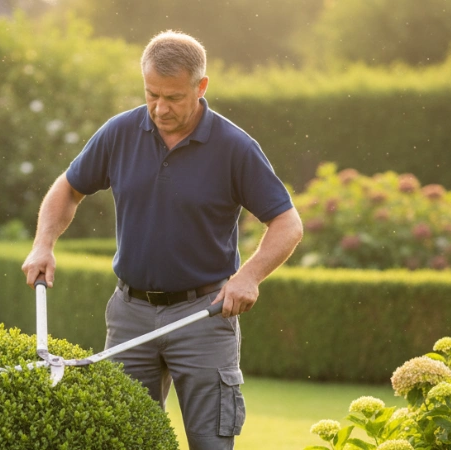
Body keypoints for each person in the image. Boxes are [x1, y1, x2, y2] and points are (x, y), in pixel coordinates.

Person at [21, 31, 303, 449]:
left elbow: (287, 222)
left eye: (172, 97)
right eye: (151, 94)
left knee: (211, 443)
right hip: (129, 314)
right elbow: (68, 187)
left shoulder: (234, 148)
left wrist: (249, 276)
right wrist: (43, 243)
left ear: (201, 86)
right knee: (123, 440)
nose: (159, 108)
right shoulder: (120, 132)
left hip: (203, 318)